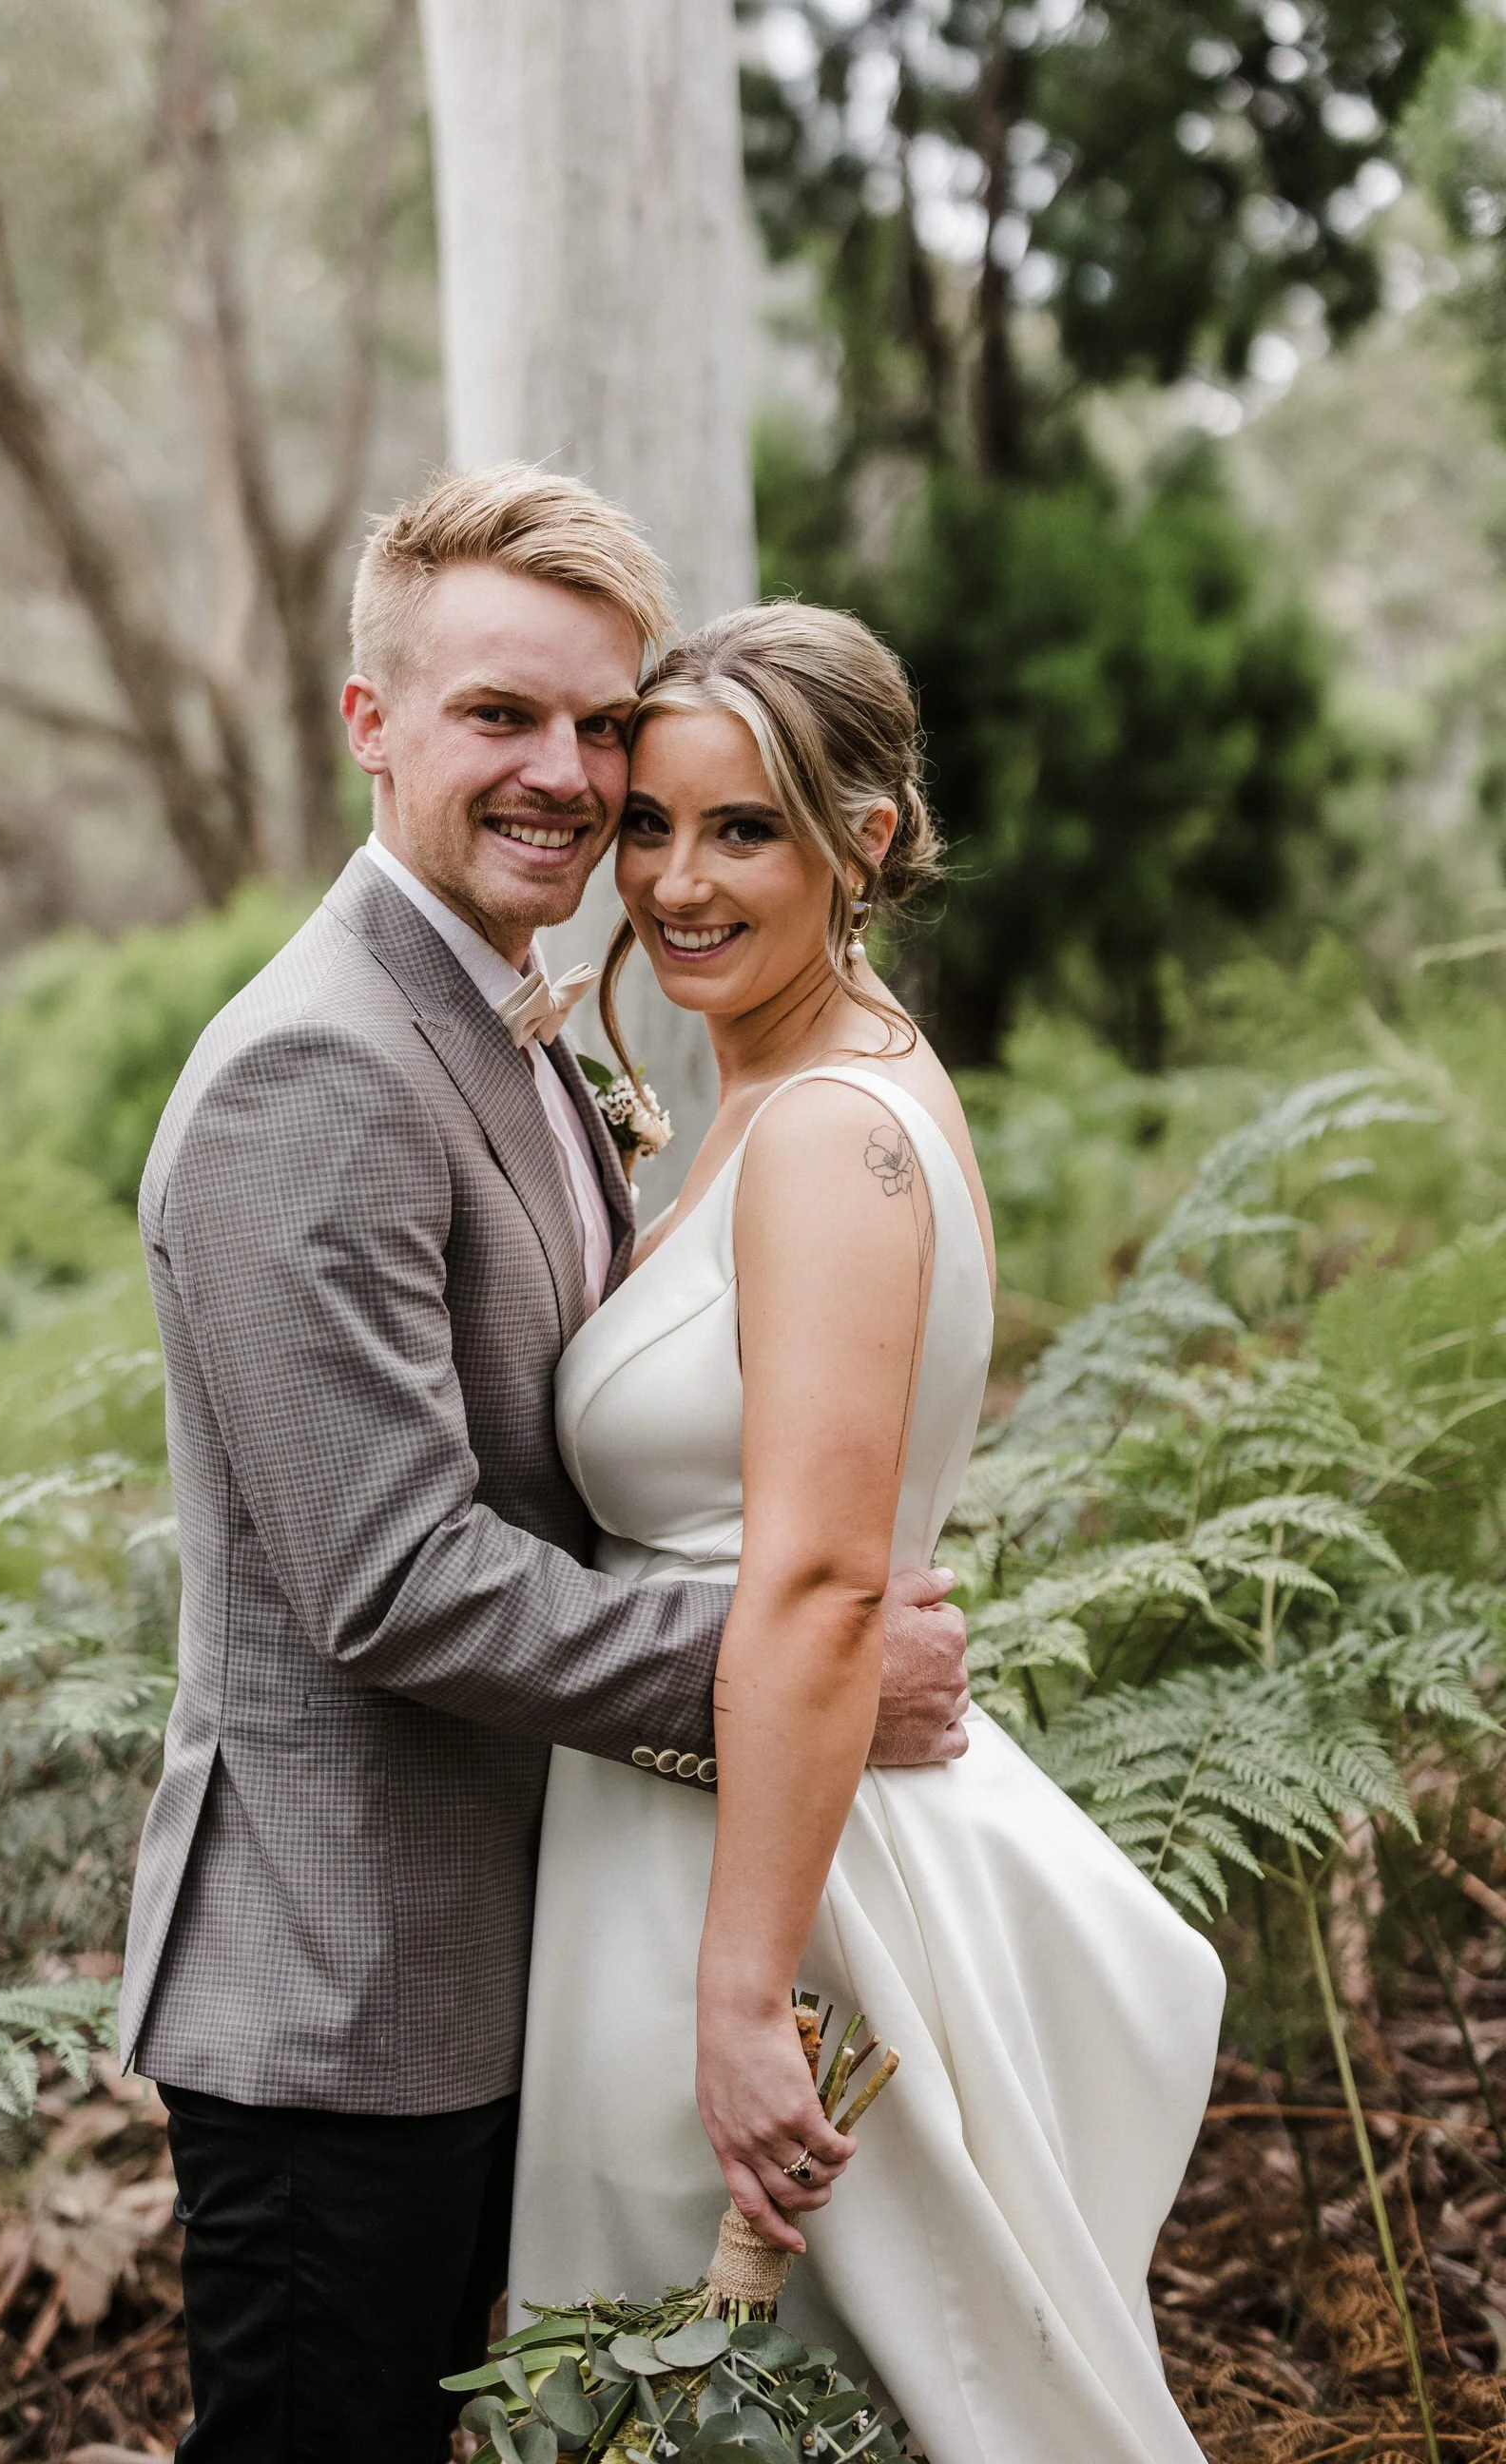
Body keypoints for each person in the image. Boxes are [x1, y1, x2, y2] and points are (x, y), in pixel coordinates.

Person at [117, 467, 971, 2464]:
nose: (569, 777)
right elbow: (396, 1579)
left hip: (513, 1951)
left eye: (604, 725)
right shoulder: (316, 1065)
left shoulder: (515, 1022)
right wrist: (793, 1671)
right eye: (506, 715)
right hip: (347, 1996)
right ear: (372, 724)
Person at [511, 602, 1226, 2463]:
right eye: (648, 826)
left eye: (740, 829)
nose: (674, 882)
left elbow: (824, 1583)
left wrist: (745, 2002)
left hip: (771, 1895)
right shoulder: (806, 1089)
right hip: (720, 1836)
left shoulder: (833, 1135)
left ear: (869, 836)